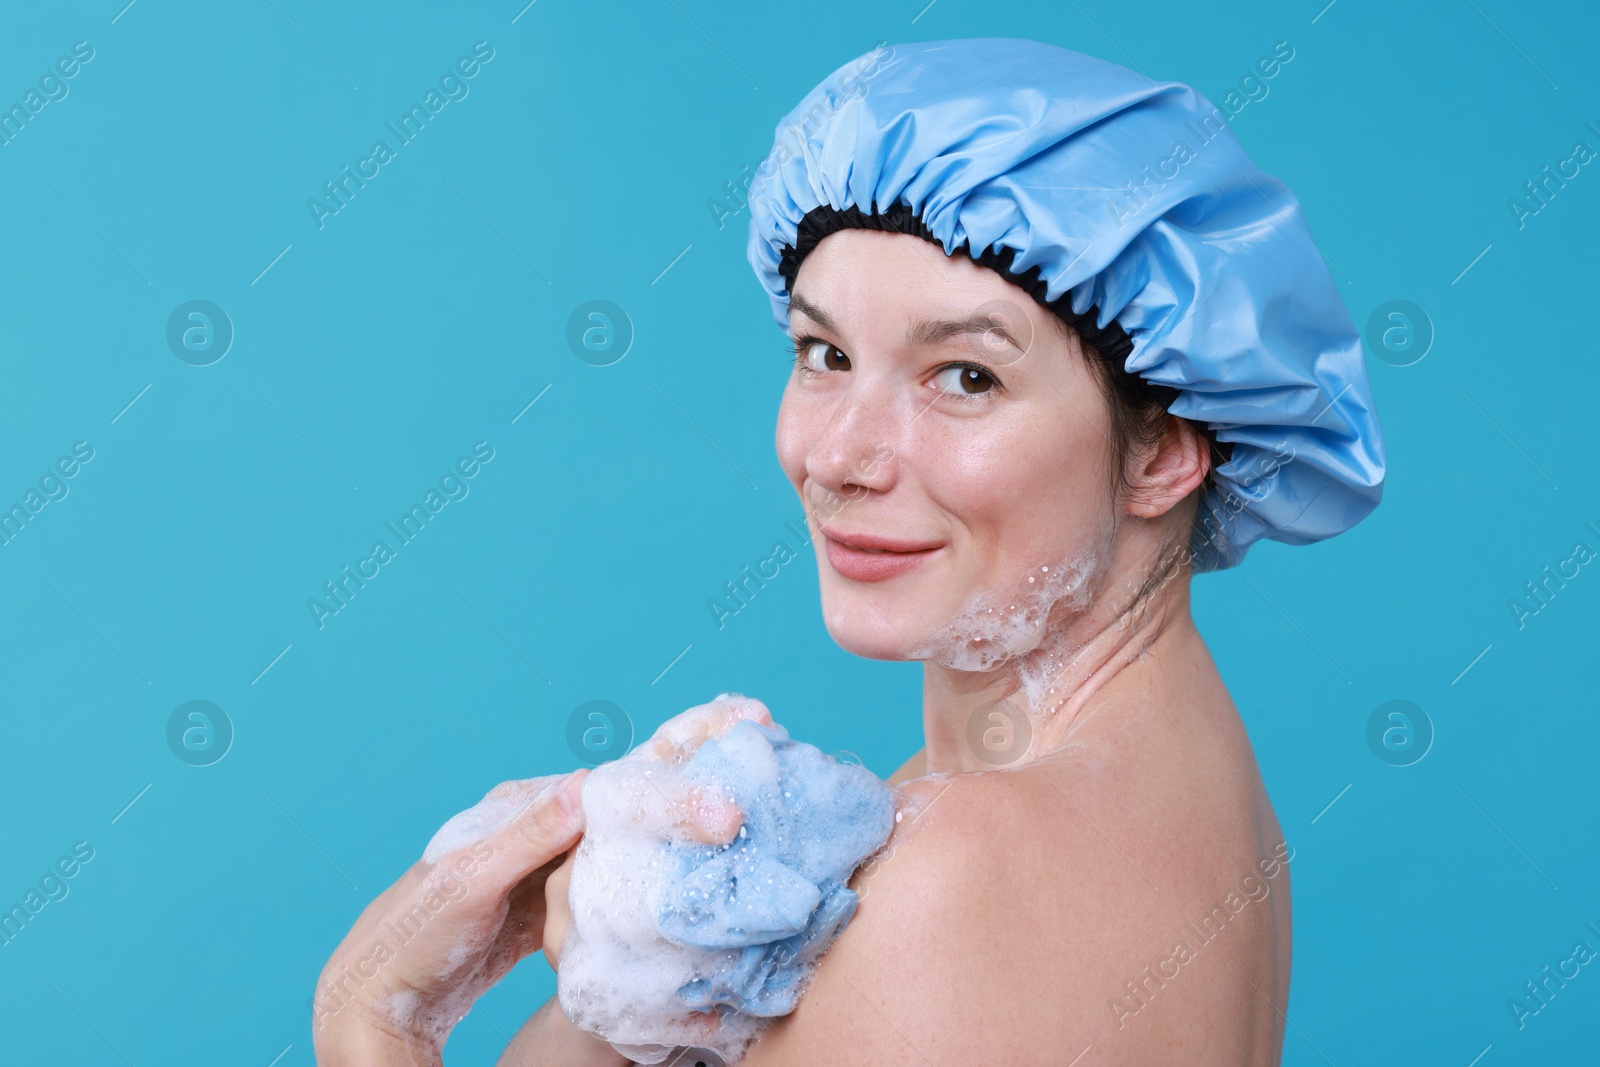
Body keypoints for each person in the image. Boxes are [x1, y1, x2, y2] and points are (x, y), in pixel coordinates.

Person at [315, 37, 1384, 1065]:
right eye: (824, 354)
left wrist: (376, 1020)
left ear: (1163, 450)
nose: (836, 455)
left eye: (965, 375)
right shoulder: (1132, 794)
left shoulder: (958, 887)